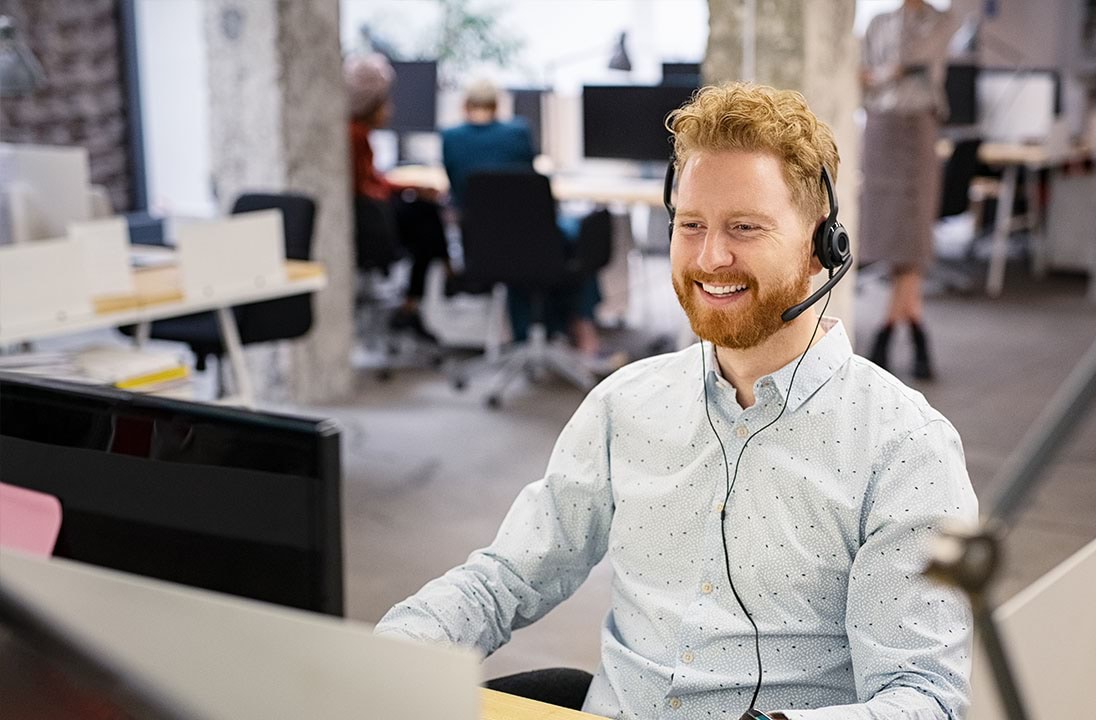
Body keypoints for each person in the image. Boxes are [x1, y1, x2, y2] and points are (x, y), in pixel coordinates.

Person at [377, 82, 978, 720]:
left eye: (744, 228)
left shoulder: (903, 447)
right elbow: (507, 578)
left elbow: (924, 700)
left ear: (819, 246)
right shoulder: (625, 405)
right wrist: (384, 655)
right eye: (691, 225)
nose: (711, 257)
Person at [441, 79, 603, 357]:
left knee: (524, 253)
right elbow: (523, 185)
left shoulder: (450, 137)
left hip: (482, 248)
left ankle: (527, 335)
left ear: (464, 106)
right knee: (575, 238)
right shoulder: (518, 132)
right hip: (531, 242)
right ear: (498, 105)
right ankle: (581, 327)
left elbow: (456, 192)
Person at [860, 0, 956, 380]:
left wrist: (886, 72)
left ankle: (886, 330)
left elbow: (912, 58)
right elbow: (862, 73)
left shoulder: (940, 21)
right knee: (889, 236)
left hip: (917, 130)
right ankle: (914, 324)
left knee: (913, 236)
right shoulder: (878, 21)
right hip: (880, 130)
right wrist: (890, 73)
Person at [345, 53, 447, 341]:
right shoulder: (355, 135)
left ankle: (425, 291)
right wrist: (409, 188)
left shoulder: (358, 133)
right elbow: (367, 188)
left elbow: (373, 181)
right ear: (371, 103)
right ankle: (435, 284)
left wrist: (407, 186)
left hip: (374, 215)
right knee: (427, 215)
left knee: (425, 210)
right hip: (373, 226)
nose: (391, 108)